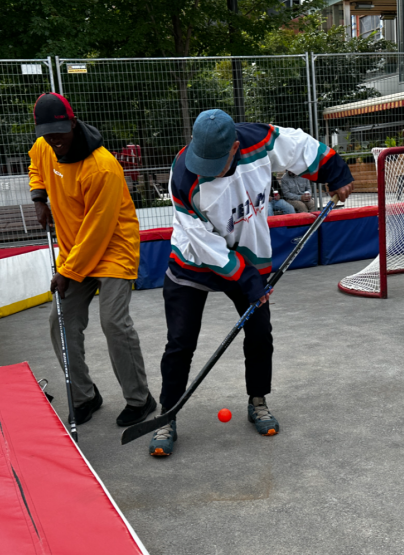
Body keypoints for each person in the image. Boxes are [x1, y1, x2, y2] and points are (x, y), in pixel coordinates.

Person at [149, 110, 354, 456]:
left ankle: (257, 400)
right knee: (180, 341)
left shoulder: (258, 140)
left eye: (214, 161)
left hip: (251, 252)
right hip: (195, 260)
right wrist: (245, 279)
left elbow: (298, 147)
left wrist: (335, 171)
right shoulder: (184, 175)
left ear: (234, 147)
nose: (205, 169)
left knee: (260, 334)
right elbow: (204, 242)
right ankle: (167, 414)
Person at [27, 92, 156, 428]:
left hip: (113, 248)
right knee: (61, 322)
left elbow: (98, 230)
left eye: (59, 132)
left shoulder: (102, 167)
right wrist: (39, 198)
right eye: (47, 134)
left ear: (73, 122)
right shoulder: (45, 147)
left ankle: (140, 399)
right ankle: (85, 397)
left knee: (113, 323)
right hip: (74, 251)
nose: (54, 141)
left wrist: (67, 271)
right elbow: (36, 167)